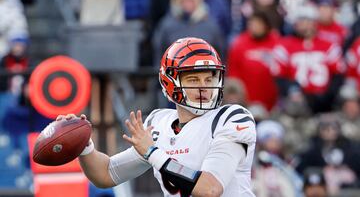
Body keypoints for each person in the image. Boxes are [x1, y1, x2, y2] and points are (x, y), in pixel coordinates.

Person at [57, 37, 257, 197]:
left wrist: (152, 152)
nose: (204, 86)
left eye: (209, 78)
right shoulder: (159, 123)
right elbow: (106, 174)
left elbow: (210, 189)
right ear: (170, 82)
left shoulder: (232, 118)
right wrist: (83, 146)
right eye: (194, 79)